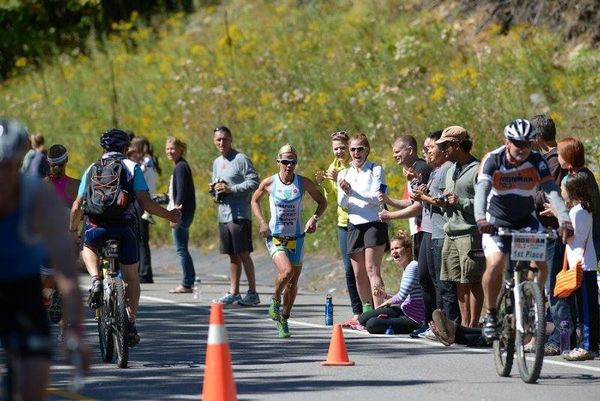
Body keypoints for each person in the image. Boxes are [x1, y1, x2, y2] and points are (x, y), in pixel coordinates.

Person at [1, 119, 90, 401]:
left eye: (8, 166)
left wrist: (75, 331)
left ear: (19, 162)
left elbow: (66, 272)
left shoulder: (39, 195)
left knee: (34, 380)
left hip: (24, 292)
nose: (2, 176)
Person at [70, 129, 181, 346]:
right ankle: (130, 322)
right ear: (124, 148)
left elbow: (76, 206)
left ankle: (95, 279)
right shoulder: (132, 167)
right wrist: (170, 214)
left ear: (104, 148)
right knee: (131, 277)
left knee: (88, 246)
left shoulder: (92, 169)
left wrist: (72, 231)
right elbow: (146, 203)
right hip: (125, 229)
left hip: (97, 227)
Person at [474, 119, 572, 341]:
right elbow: (482, 191)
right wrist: (480, 218)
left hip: (526, 220)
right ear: (507, 141)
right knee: (497, 262)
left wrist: (564, 219)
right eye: (517, 143)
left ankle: (529, 303)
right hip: (495, 220)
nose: (522, 148)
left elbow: (552, 191)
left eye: (527, 143)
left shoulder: (537, 160)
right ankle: (490, 315)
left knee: (541, 267)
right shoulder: (493, 159)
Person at [251, 144, 327, 338]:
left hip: (297, 238)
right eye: (285, 162)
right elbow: (254, 200)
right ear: (278, 162)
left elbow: (322, 202)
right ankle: (275, 300)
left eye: (292, 162)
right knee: (286, 272)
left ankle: (284, 319)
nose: (288, 166)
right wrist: (261, 222)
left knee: (293, 283)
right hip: (275, 236)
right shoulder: (269, 183)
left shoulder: (303, 183)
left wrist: (314, 219)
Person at [436, 126, 484, 328]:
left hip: (469, 232)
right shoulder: (450, 170)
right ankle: (464, 324)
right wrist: (444, 203)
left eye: (445, 145)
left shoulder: (477, 170)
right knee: (458, 281)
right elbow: (451, 200)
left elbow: (484, 204)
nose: (443, 149)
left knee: (473, 280)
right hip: (452, 232)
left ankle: (473, 325)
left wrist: (460, 201)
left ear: (456, 145)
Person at [410, 131, 458, 324]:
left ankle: (447, 322)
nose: (426, 152)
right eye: (425, 148)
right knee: (430, 278)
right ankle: (435, 322)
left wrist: (424, 197)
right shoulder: (436, 170)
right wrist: (421, 189)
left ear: (443, 149)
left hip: (441, 231)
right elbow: (432, 196)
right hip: (431, 230)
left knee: (442, 283)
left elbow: (444, 200)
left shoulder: (447, 169)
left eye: (430, 147)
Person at [315, 130, 362, 325]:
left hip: (358, 219)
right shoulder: (332, 166)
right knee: (349, 269)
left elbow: (355, 192)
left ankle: (371, 307)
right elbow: (335, 200)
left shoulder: (354, 164)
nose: (339, 152)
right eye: (336, 148)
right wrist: (325, 184)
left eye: (342, 147)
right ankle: (357, 311)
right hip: (342, 222)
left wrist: (336, 180)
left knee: (363, 269)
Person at [338, 134, 389, 312]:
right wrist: (345, 193)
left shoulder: (376, 169)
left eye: (360, 149)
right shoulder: (344, 173)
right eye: (353, 149)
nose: (356, 153)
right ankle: (367, 310)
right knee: (359, 274)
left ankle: (381, 310)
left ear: (367, 150)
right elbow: (342, 204)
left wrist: (352, 193)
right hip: (354, 223)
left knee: (372, 269)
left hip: (374, 222)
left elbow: (378, 198)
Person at [210, 126, 261, 306]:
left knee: (243, 253)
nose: (221, 143)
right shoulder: (217, 162)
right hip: (223, 214)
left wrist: (232, 189)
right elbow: (219, 184)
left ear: (231, 139)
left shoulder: (240, 159)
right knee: (232, 255)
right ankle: (234, 292)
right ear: (214, 141)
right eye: (218, 140)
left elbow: (254, 181)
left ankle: (253, 293)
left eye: (225, 139)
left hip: (239, 214)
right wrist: (214, 189)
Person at [40, 144, 81, 338]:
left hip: (45, 243)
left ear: (48, 162)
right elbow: (83, 212)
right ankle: (64, 333)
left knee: (43, 286)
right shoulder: (76, 185)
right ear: (67, 161)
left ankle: (50, 297)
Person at [558, 175, 599, 361]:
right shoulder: (578, 210)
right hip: (580, 265)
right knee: (584, 307)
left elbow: (573, 237)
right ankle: (587, 344)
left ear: (571, 190)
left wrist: (561, 226)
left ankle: (588, 346)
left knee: (587, 309)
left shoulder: (579, 211)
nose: (561, 192)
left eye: (563, 189)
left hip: (583, 266)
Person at [356, 230, 424, 334]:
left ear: (408, 250)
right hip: (404, 310)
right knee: (363, 318)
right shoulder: (406, 268)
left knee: (372, 324)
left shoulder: (413, 267)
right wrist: (385, 295)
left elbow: (401, 297)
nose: (393, 252)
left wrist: (384, 303)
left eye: (397, 248)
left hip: (413, 318)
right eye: (392, 249)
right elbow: (404, 297)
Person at [378, 135, 432, 260]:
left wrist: (390, 216)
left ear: (410, 150)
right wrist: (388, 200)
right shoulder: (412, 170)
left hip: (425, 230)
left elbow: (418, 208)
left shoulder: (420, 169)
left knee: (426, 276)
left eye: (397, 152)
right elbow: (411, 202)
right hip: (418, 230)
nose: (394, 155)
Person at [165, 136, 197, 294]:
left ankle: (186, 283)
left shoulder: (181, 167)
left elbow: (182, 193)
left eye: (173, 148)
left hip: (182, 214)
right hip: (183, 212)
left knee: (181, 249)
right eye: (168, 148)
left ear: (181, 149)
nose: (170, 151)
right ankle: (189, 281)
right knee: (182, 248)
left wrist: (175, 213)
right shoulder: (180, 166)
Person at [130, 136, 162, 283]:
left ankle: (145, 272)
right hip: (146, 198)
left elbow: (137, 175)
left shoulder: (146, 161)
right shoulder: (149, 160)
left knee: (142, 239)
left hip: (144, 199)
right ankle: (143, 270)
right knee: (141, 238)